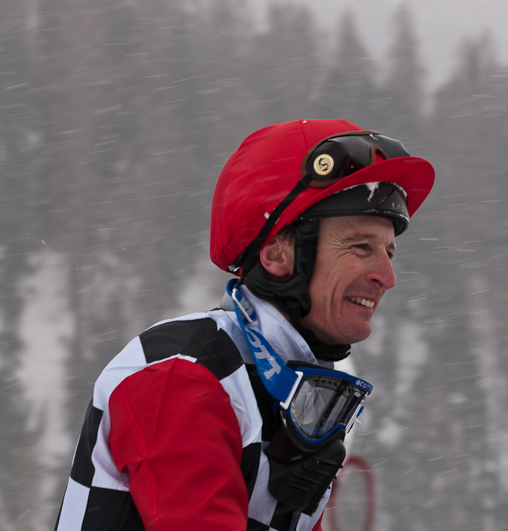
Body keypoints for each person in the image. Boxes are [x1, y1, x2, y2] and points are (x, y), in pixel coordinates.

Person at [54, 119, 435, 531]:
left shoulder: (290, 389)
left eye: (389, 253)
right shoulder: (183, 373)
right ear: (276, 255)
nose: (387, 275)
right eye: (361, 247)